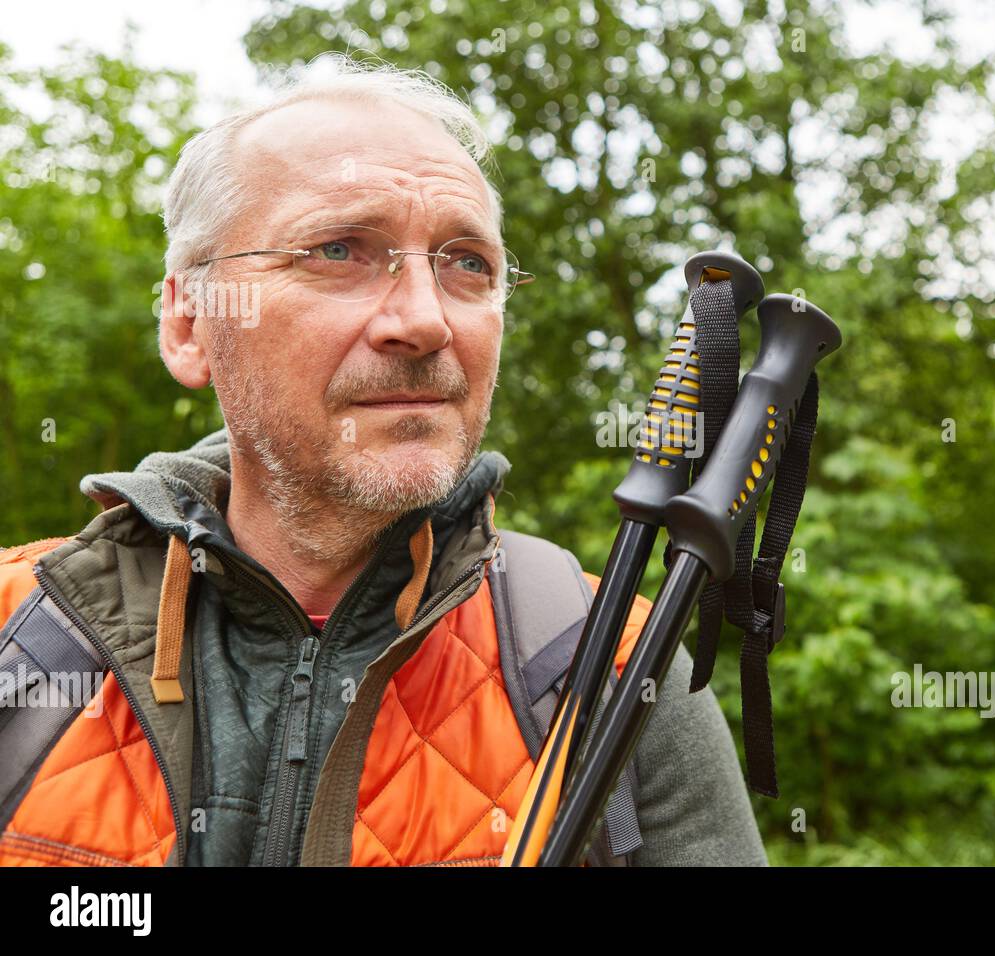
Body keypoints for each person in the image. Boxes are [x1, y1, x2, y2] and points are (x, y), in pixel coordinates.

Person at [0, 56, 767, 867]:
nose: (425, 320)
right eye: (339, 250)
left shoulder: (606, 663)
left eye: (468, 263)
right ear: (190, 325)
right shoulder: (20, 638)